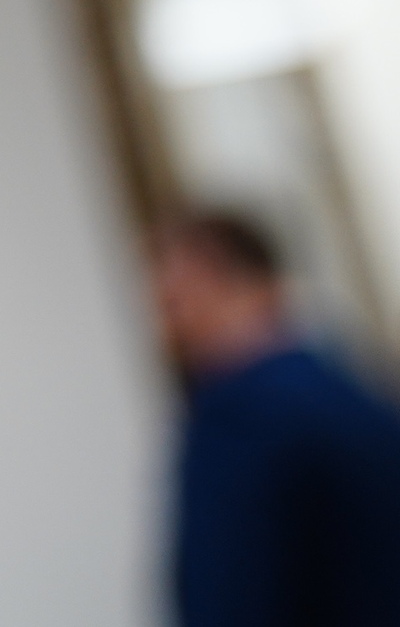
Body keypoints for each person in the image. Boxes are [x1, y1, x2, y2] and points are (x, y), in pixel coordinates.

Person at [154, 209, 400, 627]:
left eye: (172, 301)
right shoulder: (351, 388)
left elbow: (229, 595)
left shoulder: (238, 416)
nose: (166, 327)